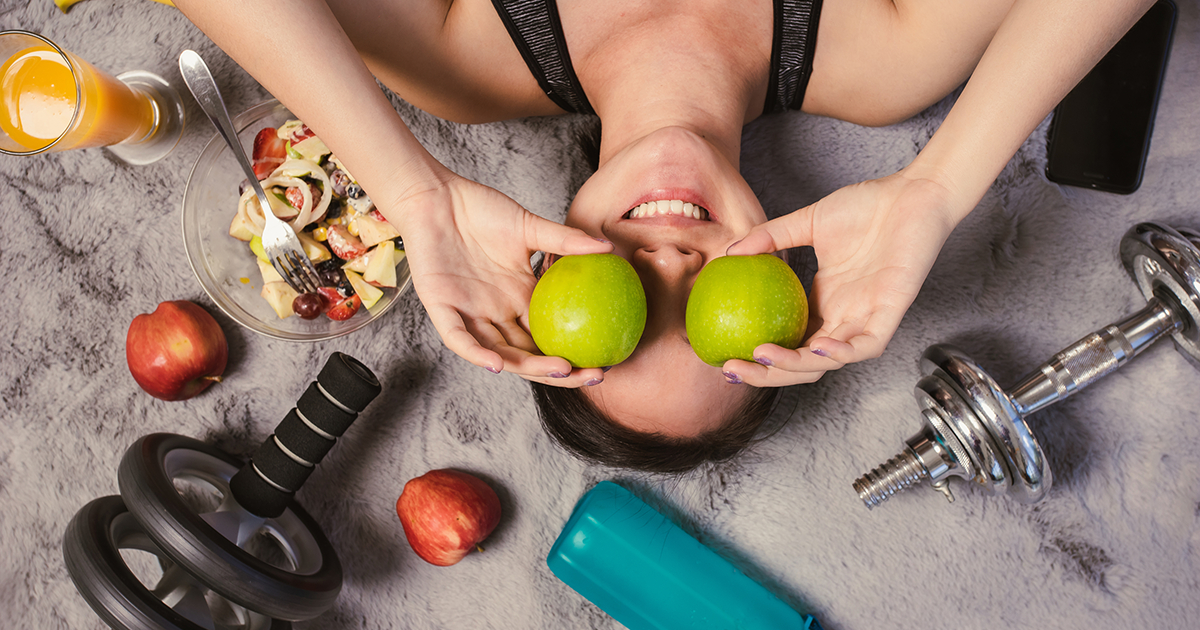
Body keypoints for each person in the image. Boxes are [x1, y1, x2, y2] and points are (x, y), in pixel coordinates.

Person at [174, 0, 1156, 471]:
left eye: (630, 304)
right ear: (783, 278)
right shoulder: (880, 62)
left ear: (549, 271)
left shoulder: (467, 63)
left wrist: (415, 193)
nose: (675, 262)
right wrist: (937, 190)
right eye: (712, 314)